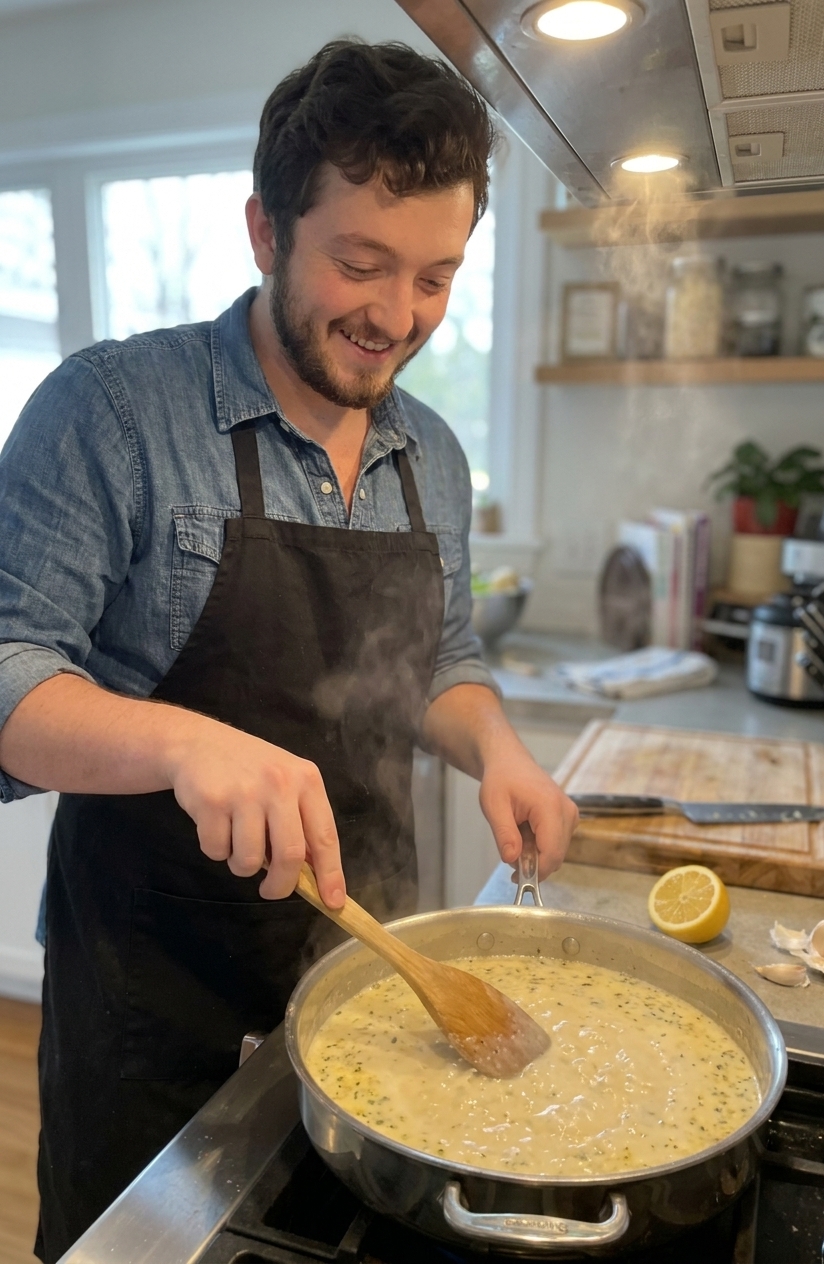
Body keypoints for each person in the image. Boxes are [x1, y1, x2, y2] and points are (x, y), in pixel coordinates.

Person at [0, 40, 579, 1262]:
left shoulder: (434, 453)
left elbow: (443, 654)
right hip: (153, 1004)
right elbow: (5, 673)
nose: (394, 317)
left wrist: (502, 753)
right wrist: (184, 739)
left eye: (435, 277)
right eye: (359, 263)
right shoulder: (112, 412)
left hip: (374, 978)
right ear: (266, 229)